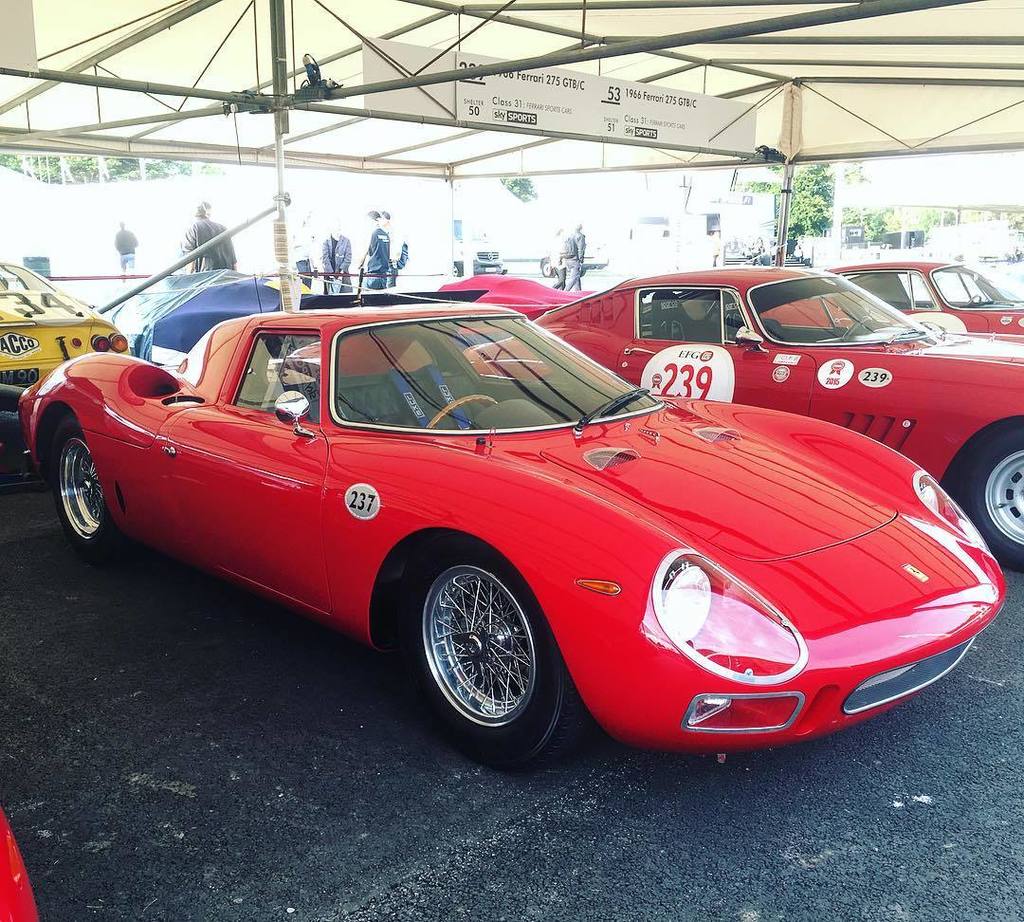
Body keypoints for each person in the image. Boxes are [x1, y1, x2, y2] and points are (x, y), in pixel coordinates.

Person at [183, 202, 236, 272]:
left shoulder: (192, 228)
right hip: (226, 276)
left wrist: (189, 279)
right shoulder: (223, 228)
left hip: (205, 277)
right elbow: (233, 261)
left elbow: (189, 261)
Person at [360, 210, 391, 290]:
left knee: (367, 300)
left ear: (375, 221)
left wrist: (359, 264)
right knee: (380, 301)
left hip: (372, 276)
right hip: (383, 276)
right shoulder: (386, 235)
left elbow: (363, 254)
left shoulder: (371, 234)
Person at [321, 224, 352, 294]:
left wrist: (340, 271)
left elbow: (348, 258)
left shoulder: (346, 241)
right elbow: (324, 258)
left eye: (339, 228)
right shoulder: (326, 241)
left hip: (343, 274)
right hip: (329, 275)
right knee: (329, 300)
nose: (338, 230)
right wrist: (331, 273)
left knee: (345, 297)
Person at [564, 223, 586, 292]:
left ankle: (578, 292)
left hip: (568, 259)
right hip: (575, 259)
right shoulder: (580, 236)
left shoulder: (570, 235)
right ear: (580, 228)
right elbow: (580, 249)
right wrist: (581, 259)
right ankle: (565, 292)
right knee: (574, 278)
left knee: (576, 277)